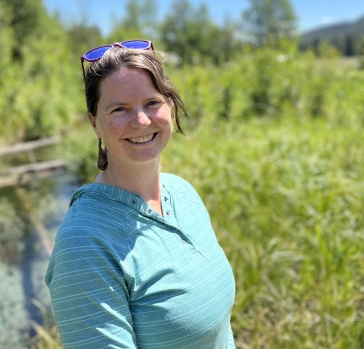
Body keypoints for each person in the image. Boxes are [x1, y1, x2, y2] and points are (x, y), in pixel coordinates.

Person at [45, 40, 236, 348]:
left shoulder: (183, 193)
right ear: (95, 123)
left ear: (170, 107)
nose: (141, 121)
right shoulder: (84, 243)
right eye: (119, 109)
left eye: (152, 103)